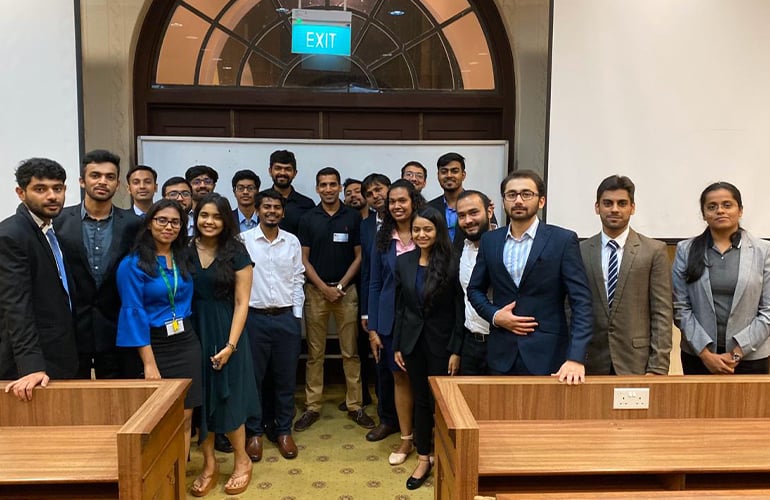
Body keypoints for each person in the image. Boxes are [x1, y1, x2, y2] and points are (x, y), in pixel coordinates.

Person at [467, 170, 593, 383]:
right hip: (501, 355)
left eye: (526, 194)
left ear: (541, 201)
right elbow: (474, 289)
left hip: (549, 355)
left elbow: (581, 302)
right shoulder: (490, 240)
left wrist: (576, 357)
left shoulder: (562, 240)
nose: (518, 200)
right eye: (511, 195)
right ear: (504, 200)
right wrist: (495, 316)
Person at [116, 199, 202, 460]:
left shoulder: (183, 258)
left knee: (186, 413)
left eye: (175, 222)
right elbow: (133, 312)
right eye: (161, 220)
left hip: (185, 342)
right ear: (149, 223)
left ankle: (179, 474)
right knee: (157, 416)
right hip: (153, 345)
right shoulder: (132, 265)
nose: (169, 227)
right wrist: (149, 364)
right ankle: (160, 473)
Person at [295, 167, 375, 432]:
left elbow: (360, 256)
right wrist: (323, 287)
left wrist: (339, 285)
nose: (328, 189)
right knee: (315, 354)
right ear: (317, 188)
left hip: (346, 292)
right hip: (316, 292)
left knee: (350, 352)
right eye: (323, 185)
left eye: (333, 184)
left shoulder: (353, 218)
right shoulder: (308, 218)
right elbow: (303, 260)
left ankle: (355, 405)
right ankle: (312, 406)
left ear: (340, 187)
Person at [55, 149, 143, 379]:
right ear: (82, 181)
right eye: (95, 175)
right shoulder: (59, 222)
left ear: (118, 184)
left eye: (110, 177)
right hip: (71, 330)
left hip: (117, 330)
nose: (103, 181)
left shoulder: (134, 225)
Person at [189, 193, 256, 497]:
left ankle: (242, 461)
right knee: (200, 399)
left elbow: (243, 302)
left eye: (216, 216)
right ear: (196, 217)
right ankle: (209, 464)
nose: (210, 221)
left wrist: (230, 345)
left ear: (225, 220)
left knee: (228, 396)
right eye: (204, 215)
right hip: (192, 332)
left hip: (228, 330)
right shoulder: (184, 250)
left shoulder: (236, 252)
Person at [393, 205, 463, 490]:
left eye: (428, 229)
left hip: (443, 345)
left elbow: (460, 308)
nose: (421, 234)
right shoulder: (404, 262)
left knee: (444, 405)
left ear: (438, 232)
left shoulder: (452, 261)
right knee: (421, 401)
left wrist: (456, 348)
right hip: (413, 343)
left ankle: (443, 456)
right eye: (417, 229)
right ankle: (424, 458)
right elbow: (401, 307)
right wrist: (398, 344)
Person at [673, 182, 770, 374]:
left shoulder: (763, 251)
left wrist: (736, 354)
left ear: (740, 210)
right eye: (712, 207)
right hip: (698, 357)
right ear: (704, 214)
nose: (720, 211)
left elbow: (768, 310)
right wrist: (706, 355)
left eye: (727, 205)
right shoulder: (686, 250)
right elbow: (680, 307)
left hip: (750, 357)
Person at [1, 158, 78, 401]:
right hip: (33, 368)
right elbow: (16, 306)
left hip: (60, 353)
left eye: (58, 188)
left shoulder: (50, 230)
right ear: (21, 193)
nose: (52, 196)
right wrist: (31, 366)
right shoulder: (11, 235)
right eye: (40, 189)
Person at [580, 175, 672, 375]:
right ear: (597, 208)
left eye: (622, 203)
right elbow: (571, 308)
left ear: (632, 207)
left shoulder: (654, 250)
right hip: (591, 360)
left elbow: (662, 313)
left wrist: (658, 367)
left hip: (637, 362)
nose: (614, 209)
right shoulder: (581, 250)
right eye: (607, 203)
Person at [242, 189, 305, 461]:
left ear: (283, 212)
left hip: (285, 319)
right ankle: (254, 432)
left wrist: (296, 316)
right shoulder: (242, 240)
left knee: (285, 378)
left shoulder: (291, 242)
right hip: (253, 319)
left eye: (276, 207)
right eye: (266, 206)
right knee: (253, 380)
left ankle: (283, 431)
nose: (271, 211)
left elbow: (298, 279)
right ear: (257, 210)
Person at [369, 179, 424, 463]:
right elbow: (375, 284)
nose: (397, 206)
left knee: (425, 380)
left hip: (423, 320)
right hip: (391, 321)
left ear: (414, 201)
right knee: (399, 379)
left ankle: (427, 439)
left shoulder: (426, 231)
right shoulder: (382, 237)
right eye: (392, 202)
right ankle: (406, 441)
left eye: (402, 200)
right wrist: (374, 328)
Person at [358, 173, 394, 440]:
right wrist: (367, 312)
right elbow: (368, 273)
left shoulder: (410, 220)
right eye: (369, 193)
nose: (376, 196)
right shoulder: (367, 225)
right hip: (379, 305)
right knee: (381, 363)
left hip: (408, 306)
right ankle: (386, 418)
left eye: (379, 189)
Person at [342, 176, 374, 414]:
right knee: (357, 345)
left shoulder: (378, 221)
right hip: (353, 290)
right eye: (349, 193)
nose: (354, 196)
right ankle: (360, 395)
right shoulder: (350, 222)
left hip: (374, 288)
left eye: (358, 192)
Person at [456, 190, 496, 375]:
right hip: (470, 344)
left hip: (500, 342)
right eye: (462, 215)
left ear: (489, 211)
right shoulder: (461, 249)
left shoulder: (506, 244)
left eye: (474, 213)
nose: (468, 220)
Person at [267, 150, 315, 235]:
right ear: (270, 171)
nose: (282, 173)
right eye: (278, 168)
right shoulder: (260, 201)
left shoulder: (307, 204)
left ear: (295, 173)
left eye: (287, 169)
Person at [428, 153, 467, 247]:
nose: (449, 175)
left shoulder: (478, 204)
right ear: (438, 175)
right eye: (444, 171)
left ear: (463, 175)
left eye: (454, 171)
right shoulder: (429, 208)